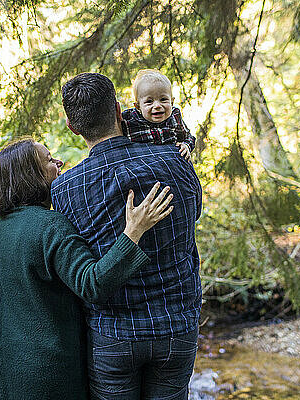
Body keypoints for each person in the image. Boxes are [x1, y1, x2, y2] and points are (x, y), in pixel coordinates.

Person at [0, 138, 174, 400]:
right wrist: (133, 231)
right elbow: (92, 284)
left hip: (1, 375)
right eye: (48, 159)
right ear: (29, 175)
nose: (58, 162)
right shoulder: (49, 226)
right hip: (49, 378)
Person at [52, 72, 203, 400]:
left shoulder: (65, 189)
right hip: (177, 324)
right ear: (121, 110)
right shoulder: (176, 161)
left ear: (72, 127)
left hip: (114, 334)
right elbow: (192, 217)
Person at [121, 69, 195, 161]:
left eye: (163, 99)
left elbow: (189, 137)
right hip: (142, 165)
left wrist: (186, 145)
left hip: (171, 163)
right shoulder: (128, 119)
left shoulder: (174, 116)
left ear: (172, 102)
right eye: (149, 101)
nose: (157, 106)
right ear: (138, 106)